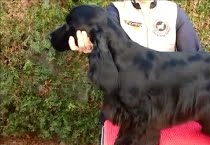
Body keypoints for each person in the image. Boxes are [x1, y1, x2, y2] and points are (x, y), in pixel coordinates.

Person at [68, 0, 202, 124]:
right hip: (124, 108)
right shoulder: (115, 11)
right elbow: (104, 50)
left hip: (165, 108)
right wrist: (91, 46)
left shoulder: (173, 12)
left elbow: (193, 60)